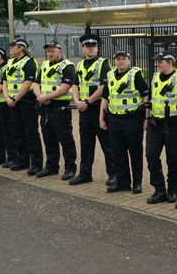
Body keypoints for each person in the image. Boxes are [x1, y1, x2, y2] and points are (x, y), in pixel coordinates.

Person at [145, 52, 177, 204]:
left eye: (161, 61)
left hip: (174, 125)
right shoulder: (154, 77)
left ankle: (173, 189)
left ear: (170, 62)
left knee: (172, 158)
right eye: (157, 61)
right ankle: (159, 190)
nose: (158, 64)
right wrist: (147, 117)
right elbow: (151, 99)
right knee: (151, 156)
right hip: (155, 124)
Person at [69, 34, 116, 186]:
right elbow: (75, 85)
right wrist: (77, 102)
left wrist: (87, 101)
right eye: (87, 46)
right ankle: (85, 174)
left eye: (93, 46)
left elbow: (104, 87)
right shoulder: (80, 64)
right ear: (83, 48)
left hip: (98, 109)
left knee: (107, 144)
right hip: (84, 110)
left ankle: (113, 174)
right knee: (86, 143)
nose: (90, 48)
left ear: (97, 48)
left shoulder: (103, 64)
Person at [99, 50, 149, 194]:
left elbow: (145, 96)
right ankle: (123, 182)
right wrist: (101, 118)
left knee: (135, 152)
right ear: (114, 61)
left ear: (129, 60)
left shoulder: (135, 75)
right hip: (114, 119)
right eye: (118, 59)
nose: (121, 61)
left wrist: (146, 118)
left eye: (124, 59)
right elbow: (105, 97)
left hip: (132, 119)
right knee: (117, 152)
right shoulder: (110, 75)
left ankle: (137, 183)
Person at [33, 42, 78, 179]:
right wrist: (40, 97)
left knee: (65, 140)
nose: (50, 54)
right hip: (45, 109)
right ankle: (51, 167)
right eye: (48, 51)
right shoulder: (44, 65)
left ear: (60, 51)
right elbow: (36, 84)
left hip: (60, 110)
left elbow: (64, 88)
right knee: (49, 139)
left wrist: (46, 97)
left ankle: (70, 168)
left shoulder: (67, 66)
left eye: (53, 51)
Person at [3, 38, 42, 175]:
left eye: (13, 46)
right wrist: (8, 98)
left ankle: (36, 163)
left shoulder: (29, 62)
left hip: (26, 102)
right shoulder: (10, 62)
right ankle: (22, 160)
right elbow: (5, 81)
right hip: (13, 102)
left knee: (31, 133)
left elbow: (27, 83)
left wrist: (14, 99)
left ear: (20, 48)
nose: (10, 48)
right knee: (17, 132)